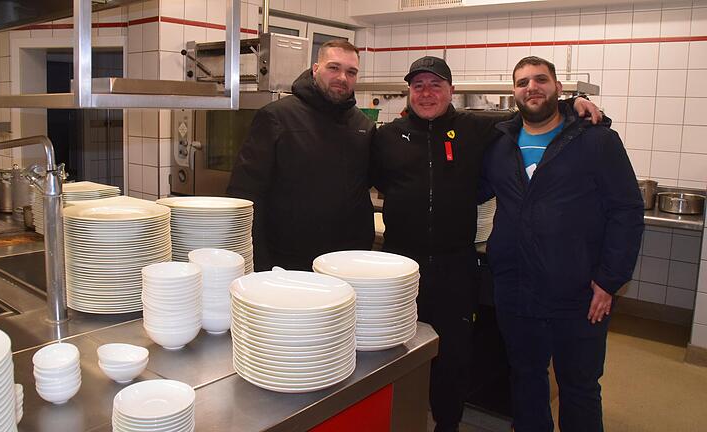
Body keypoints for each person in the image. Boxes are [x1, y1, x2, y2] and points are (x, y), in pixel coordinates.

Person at [370, 56, 601, 432]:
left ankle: (447, 424)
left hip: (456, 265)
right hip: (400, 265)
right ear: (408, 93)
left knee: (454, 356)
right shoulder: (387, 137)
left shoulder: (478, 128)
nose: (427, 93)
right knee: (398, 350)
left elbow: (534, 111)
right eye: (418, 86)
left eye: (436, 85)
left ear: (452, 92)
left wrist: (571, 104)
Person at [479, 56, 644, 431]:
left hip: (579, 292)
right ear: (513, 92)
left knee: (580, 387)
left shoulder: (597, 141)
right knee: (526, 379)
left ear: (558, 88)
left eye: (540, 80)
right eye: (522, 82)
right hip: (515, 287)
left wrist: (609, 280)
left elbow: (627, 211)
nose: (531, 88)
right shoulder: (499, 145)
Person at [227, 39, 375, 271]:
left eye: (351, 72)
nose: (342, 78)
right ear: (316, 69)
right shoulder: (277, 117)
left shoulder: (363, 125)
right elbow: (245, 193)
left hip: (346, 262)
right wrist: (260, 262)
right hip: (288, 262)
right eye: (333, 68)